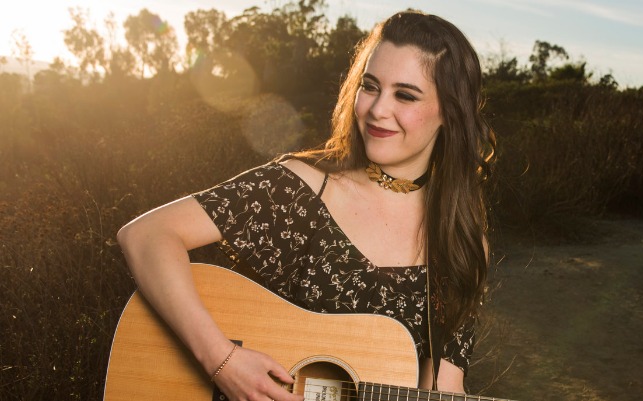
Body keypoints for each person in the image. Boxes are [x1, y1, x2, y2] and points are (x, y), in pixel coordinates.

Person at [117, 10, 496, 401]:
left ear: (450, 112)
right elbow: (145, 236)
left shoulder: (460, 245)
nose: (378, 110)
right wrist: (222, 361)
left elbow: (444, 388)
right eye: (370, 87)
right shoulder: (304, 188)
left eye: (405, 95)